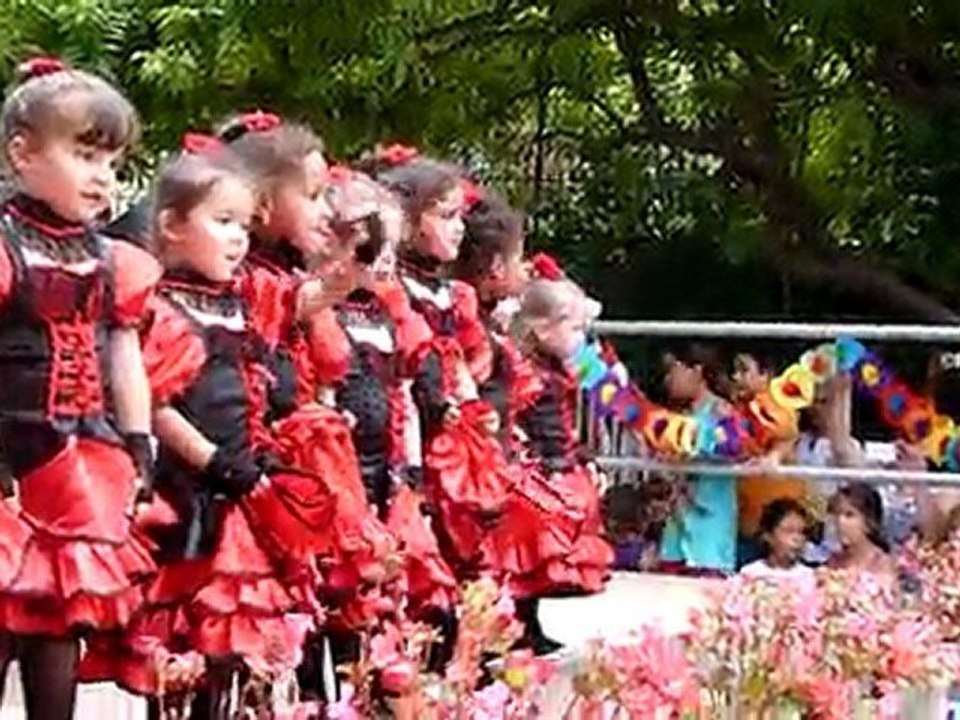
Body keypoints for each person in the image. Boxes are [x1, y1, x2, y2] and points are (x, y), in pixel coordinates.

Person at [78, 136, 337, 716]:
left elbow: (310, 300)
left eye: (245, 224)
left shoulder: (245, 297)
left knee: (234, 638)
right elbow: (156, 401)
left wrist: (356, 261)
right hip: (185, 490)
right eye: (223, 222)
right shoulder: (161, 305)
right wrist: (212, 460)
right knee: (176, 641)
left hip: (239, 489)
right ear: (171, 225)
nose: (239, 237)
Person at [0, 56, 157, 720]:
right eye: (86, 154)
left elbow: (124, 351)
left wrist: (139, 439)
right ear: (23, 154)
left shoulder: (109, 257)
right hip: (10, 456)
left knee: (60, 614)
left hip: (79, 459)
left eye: (113, 162)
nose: (103, 177)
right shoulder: (5, 245)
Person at [458, 197, 609, 654]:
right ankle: (508, 631)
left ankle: (526, 625)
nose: (583, 341)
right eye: (575, 329)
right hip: (525, 465)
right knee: (520, 558)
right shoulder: (526, 367)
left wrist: (578, 459)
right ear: (542, 330)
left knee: (537, 560)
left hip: (551, 463)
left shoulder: (554, 371)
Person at [371, 149, 512, 579]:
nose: (459, 227)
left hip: (452, 430)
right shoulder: (392, 287)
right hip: (414, 422)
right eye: (447, 216)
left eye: (460, 216)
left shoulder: (455, 295)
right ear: (409, 222)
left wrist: (473, 411)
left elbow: (464, 361)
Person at [658, 344, 738, 576]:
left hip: (709, 532)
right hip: (678, 527)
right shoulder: (679, 419)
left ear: (696, 371)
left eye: (674, 370)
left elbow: (734, 450)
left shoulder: (723, 413)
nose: (668, 379)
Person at [730, 349, 806, 567]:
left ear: (766, 375)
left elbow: (788, 435)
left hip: (776, 530)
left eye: (744, 371)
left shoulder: (779, 407)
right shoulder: (742, 409)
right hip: (747, 523)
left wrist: (775, 455)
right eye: (735, 371)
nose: (736, 377)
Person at [827, 482, 897, 579]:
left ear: (869, 521)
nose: (840, 522)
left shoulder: (883, 565)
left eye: (849, 515)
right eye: (836, 514)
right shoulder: (834, 562)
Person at [740, 498, 815, 582]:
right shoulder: (750, 574)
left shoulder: (809, 577)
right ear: (767, 535)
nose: (797, 538)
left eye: (802, 532)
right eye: (789, 530)